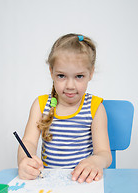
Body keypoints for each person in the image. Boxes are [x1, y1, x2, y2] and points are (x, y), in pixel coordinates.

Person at [17, 33, 112, 183]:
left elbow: (104, 153)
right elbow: (28, 142)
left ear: (91, 73)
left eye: (79, 76)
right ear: (51, 72)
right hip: (48, 184)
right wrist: (24, 161)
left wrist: (96, 161)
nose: (70, 86)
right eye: (61, 76)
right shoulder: (41, 105)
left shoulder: (95, 107)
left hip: (83, 183)